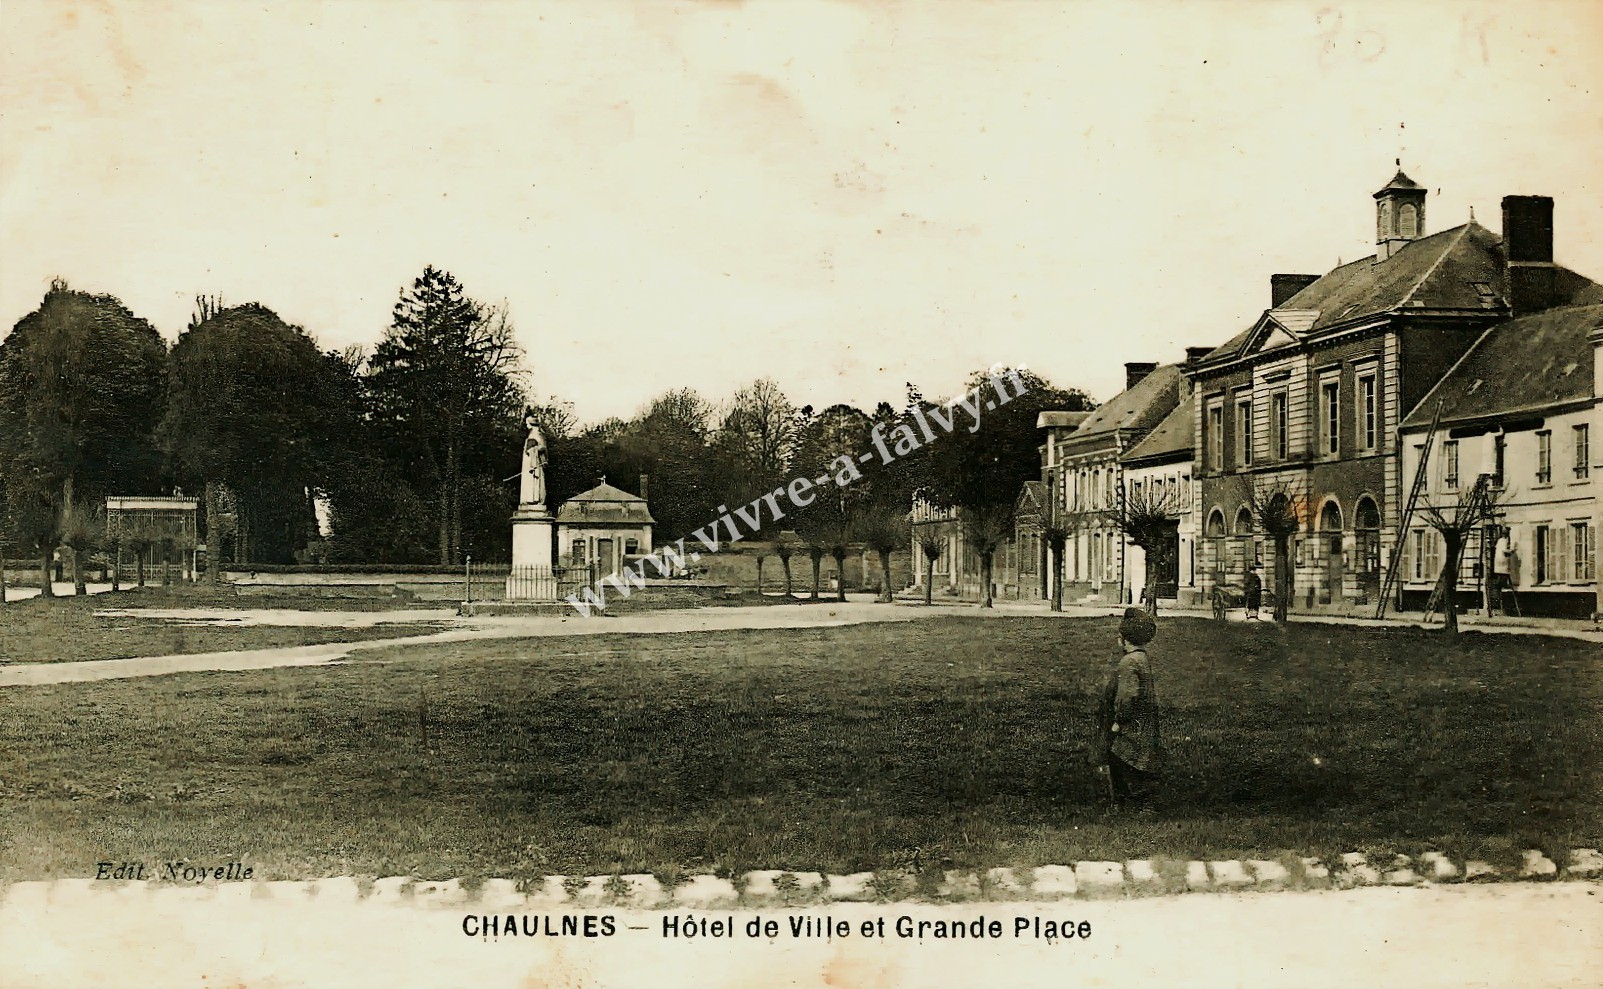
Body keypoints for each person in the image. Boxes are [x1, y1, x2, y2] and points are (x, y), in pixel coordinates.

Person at [1095, 607, 1162, 807]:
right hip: (1143, 722)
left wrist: (1119, 721)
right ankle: (1135, 796)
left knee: (1119, 756)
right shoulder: (1142, 658)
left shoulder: (1129, 662)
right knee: (1135, 757)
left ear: (1125, 640)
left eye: (1120, 637)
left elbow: (1128, 695)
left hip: (1131, 723)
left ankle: (1127, 799)